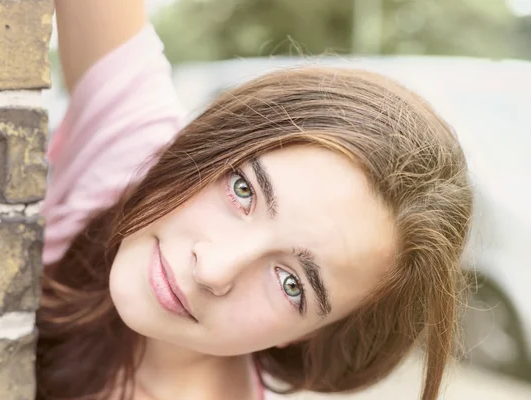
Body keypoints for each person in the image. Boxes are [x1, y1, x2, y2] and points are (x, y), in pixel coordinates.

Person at [35, 1, 473, 399]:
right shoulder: (130, 162)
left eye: (291, 284)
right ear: (213, 146)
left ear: (309, 335)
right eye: (242, 190)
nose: (213, 269)